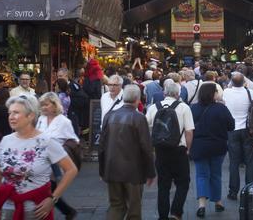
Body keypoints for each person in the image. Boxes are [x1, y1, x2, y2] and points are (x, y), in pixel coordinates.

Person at [0, 95, 77, 219]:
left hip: (36, 210)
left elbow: (71, 170)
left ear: (30, 116)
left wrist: (53, 199)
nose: (11, 117)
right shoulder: (5, 140)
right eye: (10, 113)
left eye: (16, 113)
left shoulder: (46, 141)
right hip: (7, 208)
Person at [99, 85, 156, 219]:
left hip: (111, 168)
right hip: (133, 171)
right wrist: (151, 172)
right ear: (137, 99)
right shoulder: (139, 118)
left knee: (116, 205)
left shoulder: (109, 116)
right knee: (134, 209)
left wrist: (102, 170)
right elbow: (146, 148)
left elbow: (101, 146)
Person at [146, 80, 195, 220]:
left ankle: (162, 216)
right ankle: (176, 212)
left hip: (160, 151)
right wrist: (188, 149)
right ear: (178, 93)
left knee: (163, 185)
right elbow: (189, 132)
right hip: (179, 150)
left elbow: (145, 125)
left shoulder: (154, 107)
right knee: (183, 183)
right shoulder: (184, 107)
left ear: (164, 93)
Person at [190, 83, 234, 217]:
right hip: (217, 146)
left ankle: (202, 205)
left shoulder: (193, 108)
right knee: (216, 174)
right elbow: (231, 126)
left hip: (199, 146)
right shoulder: (221, 108)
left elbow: (188, 128)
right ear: (212, 93)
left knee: (201, 175)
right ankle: (218, 202)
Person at [37, 92, 79, 219]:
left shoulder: (64, 122)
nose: (44, 107)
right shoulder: (41, 119)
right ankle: (68, 211)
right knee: (48, 191)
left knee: (48, 191)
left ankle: (60, 211)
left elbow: (74, 141)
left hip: (56, 163)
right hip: (41, 161)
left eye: (47, 105)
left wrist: (61, 149)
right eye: (42, 105)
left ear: (55, 105)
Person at [222, 70, 253, 200]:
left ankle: (233, 191)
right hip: (248, 129)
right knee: (249, 160)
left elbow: (223, 103)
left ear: (231, 81)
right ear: (244, 81)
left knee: (234, 162)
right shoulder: (250, 93)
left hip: (232, 130)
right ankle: (250, 189)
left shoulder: (226, 92)